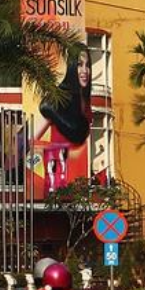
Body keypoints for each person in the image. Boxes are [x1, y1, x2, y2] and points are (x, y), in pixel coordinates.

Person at [37, 48, 93, 193]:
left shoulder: (84, 102)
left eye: (88, 65)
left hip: (77, 181)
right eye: (80, 65)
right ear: (72, 67)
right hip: (55, 182)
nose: (85, 71)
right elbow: (32, 137)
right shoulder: (59, 98)